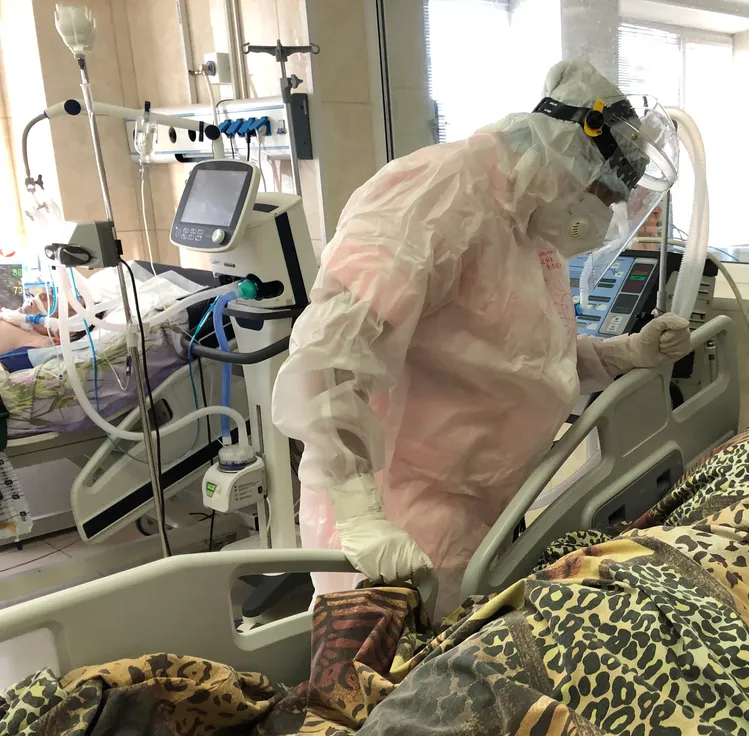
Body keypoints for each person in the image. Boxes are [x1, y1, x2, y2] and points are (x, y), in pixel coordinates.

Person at [273, 61, 692, 605]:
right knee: (397, 657)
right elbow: (329, 359)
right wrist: (359, 515)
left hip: (484, 515)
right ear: (573, 154)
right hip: (401, 522)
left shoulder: (531, 226)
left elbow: (524, 364)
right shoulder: (438, 197)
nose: (603, 215)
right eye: (606, 196)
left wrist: (621, 354)